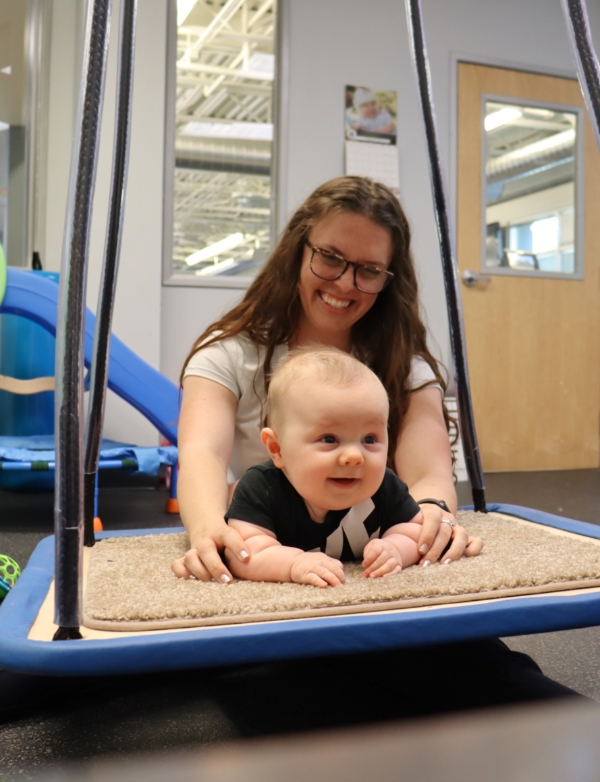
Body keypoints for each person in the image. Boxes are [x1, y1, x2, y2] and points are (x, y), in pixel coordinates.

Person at [171, 175, 580, 706]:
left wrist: (429, 520)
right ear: (299, 251)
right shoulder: (229, 354)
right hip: (268, 561)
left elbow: (429, 470)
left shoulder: (402, 365)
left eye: (368, 271)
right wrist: (207, 533)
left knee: (483, 671)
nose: (345, 284)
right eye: (331, 258)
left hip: (364, 565)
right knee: (119, 652)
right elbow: (201, 451)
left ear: (389, 278)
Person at [225, 346, 432, 587]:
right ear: (277, 449)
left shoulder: (385, 486)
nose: (354, 456)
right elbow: (244, 554)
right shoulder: (261, 488)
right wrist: (294, 564)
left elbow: (414, 530)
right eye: (329, 439)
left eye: (370, 439)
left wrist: (396, 547)